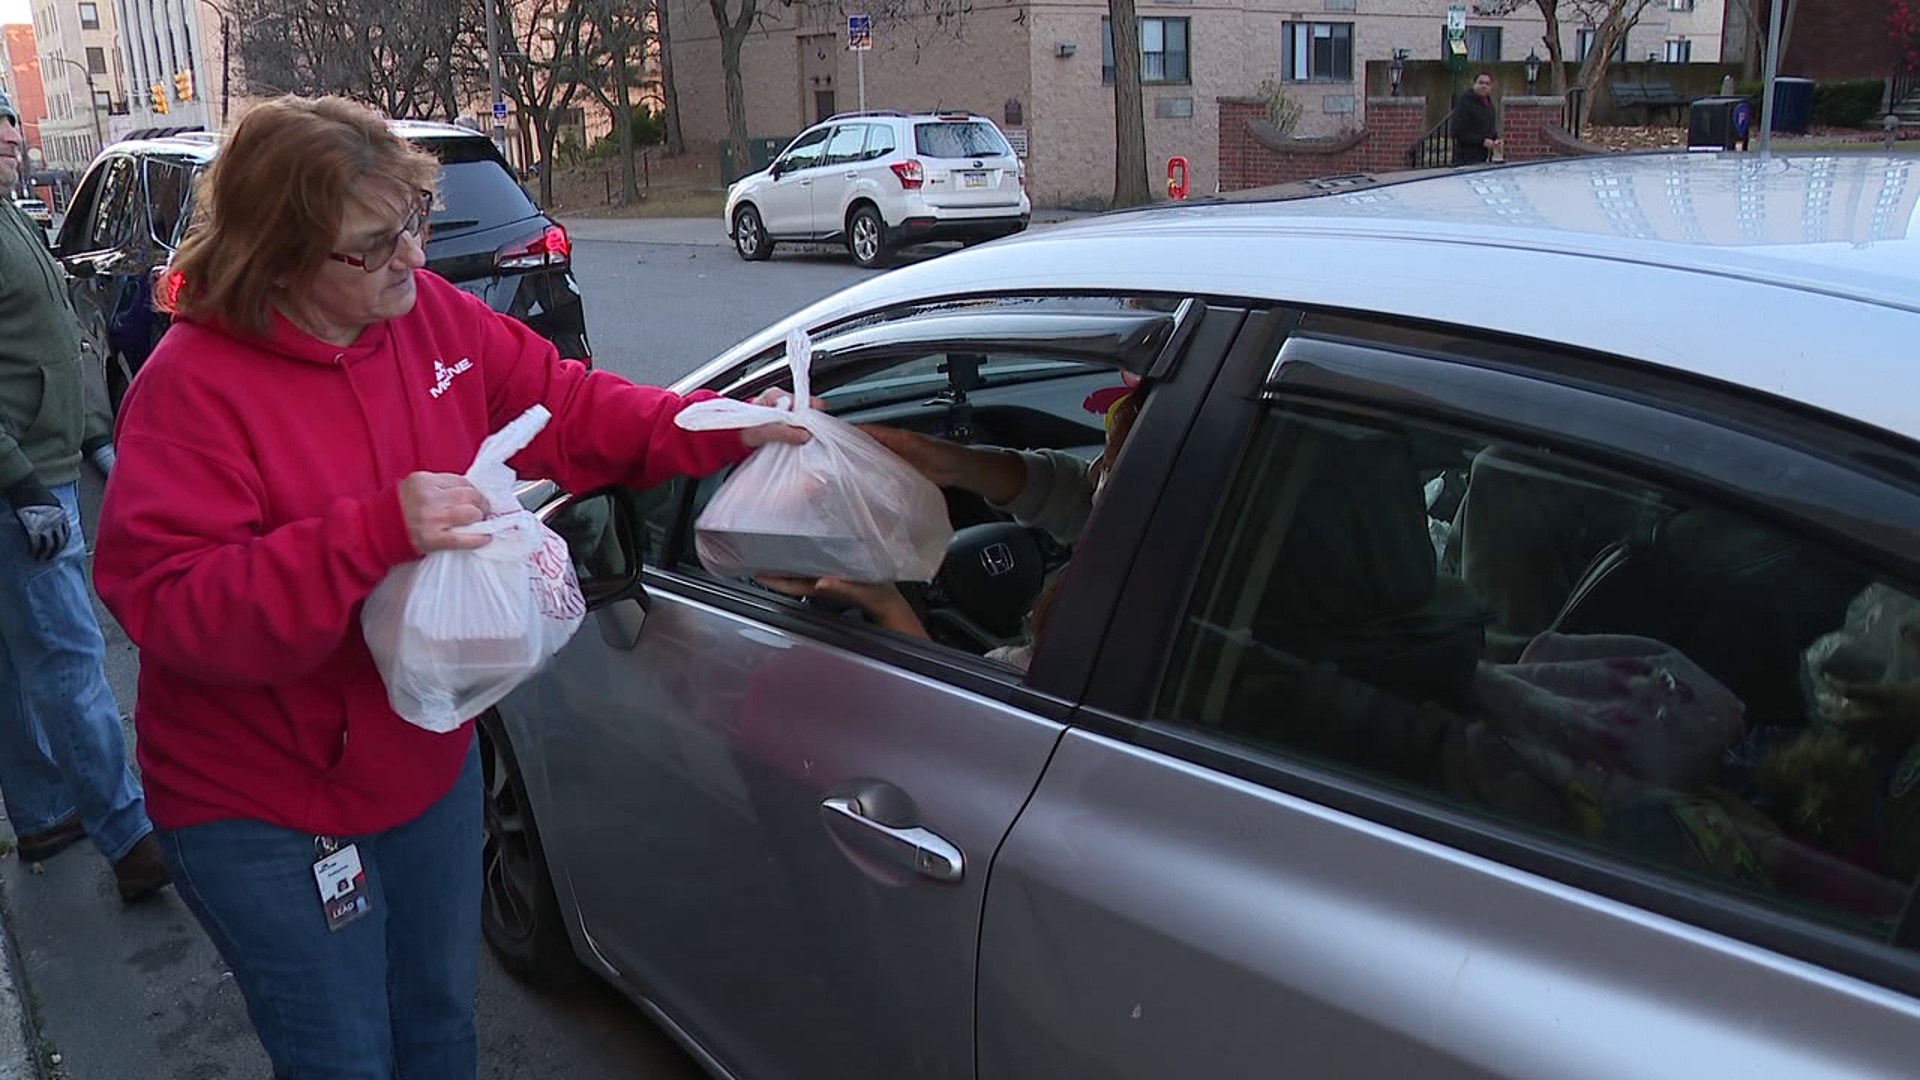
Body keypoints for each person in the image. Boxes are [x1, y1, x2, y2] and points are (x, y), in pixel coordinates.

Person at [90, 96, 807, 1079]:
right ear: (280, 253)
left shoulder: (425, 320)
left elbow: (565, 405)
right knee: (342, 1057)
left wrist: (713, 426)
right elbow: (173, 607)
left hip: (420, 760)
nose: (413, 260)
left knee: (437, 1032)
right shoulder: (193, 387)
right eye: (374, 245)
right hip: (260, 802)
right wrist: (372, 534)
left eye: (414, 224)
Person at [0, 88, 170, 904]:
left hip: (44, 462)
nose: (7, 134)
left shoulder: (11, 217)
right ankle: (129, 835)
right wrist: (23, 481)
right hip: (20, 485)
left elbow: (63, 342)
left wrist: (92, 435)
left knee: (14, 660)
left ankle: (42, 813)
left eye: (8, 119)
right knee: (69, 657)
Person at [760, 378, 1145, 671]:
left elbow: (989, 729)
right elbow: (1084, 500)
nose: (1094, 473)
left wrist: (883, 602)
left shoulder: (1115, 627)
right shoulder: (1161, 546)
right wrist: (956, 464)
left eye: (1109, 465)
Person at [1452, 72, 1501, 166]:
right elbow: (1458, 131)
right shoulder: (1464, 103)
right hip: (1466, 159)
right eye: (1481, 83)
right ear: (1474, 85)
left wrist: (1496, 139)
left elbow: (1489, 130)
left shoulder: (1490, 106)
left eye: (1487, 84)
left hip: (1484, 158)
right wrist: (1482, 141)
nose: (1484, 86)